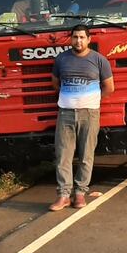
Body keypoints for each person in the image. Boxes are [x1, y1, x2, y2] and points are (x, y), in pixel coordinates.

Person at [49, 25, 114, 211]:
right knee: (63, 155)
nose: (78, 41)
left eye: (82, 37)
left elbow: (109, 87)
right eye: (75, 37)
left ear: (89, 39)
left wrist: (91, 99)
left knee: (86, 155)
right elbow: (55, 83)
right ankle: (63, 195)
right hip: (65, 114)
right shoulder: (62, 59)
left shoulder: (99, 60)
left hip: (90, 114)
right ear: (71, 39)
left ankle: (79, 194)